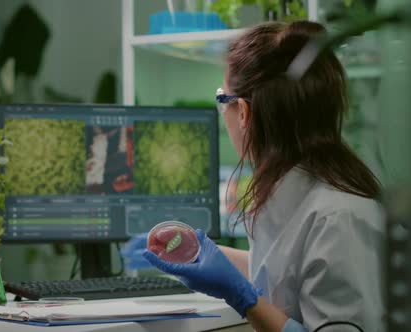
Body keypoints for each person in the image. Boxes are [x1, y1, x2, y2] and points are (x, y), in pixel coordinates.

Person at [143, 21, 384, 332]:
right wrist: (200, 253)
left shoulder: (338, 217)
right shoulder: (293, 190)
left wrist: (244, 298)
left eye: (221, 97)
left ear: (243, 112)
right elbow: (282, 271)